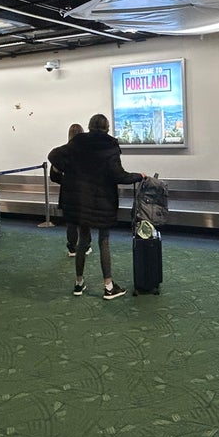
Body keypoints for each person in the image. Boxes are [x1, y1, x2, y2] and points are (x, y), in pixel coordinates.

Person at [47, 113, 142, 300]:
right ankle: (108, 286)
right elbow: (118, 175)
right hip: (103, 201)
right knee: (103, 241)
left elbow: (53, 155)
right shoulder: (110, 145)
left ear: (89, 126)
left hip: (80, 201)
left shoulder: (77, 142)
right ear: (107, 127)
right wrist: (139, 176)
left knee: (82, 241)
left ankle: (79, 283)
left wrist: (62, 172)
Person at [50, 123, 90, 257]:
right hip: (84, 191)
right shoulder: (87, 152)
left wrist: (65, 180)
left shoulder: (63, 153)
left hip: (67, 191)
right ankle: (85, 246)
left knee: (71, 223)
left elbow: (54, 176)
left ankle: (72, 248)